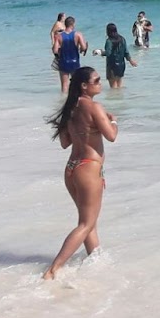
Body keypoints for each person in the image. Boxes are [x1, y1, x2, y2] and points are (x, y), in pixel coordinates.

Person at [43, 66, 117, 279]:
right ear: (84, 86)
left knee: (88, 222)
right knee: (86, 224)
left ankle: (97, 263)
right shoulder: (94, 107)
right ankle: (53, 270)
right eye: (97, 80)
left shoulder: (71, 108)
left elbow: (65, 143)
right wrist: (113, 120)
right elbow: (111, 136)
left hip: (72, 169)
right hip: (89, 169)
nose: (100, 82)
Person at [53, 16, 86, 94]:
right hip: (75, 62)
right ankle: (76, 100)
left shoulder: (59, 36)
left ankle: (64, 101)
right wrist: (82, 48)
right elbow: (84, 47)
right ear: (73, 24)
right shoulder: (78, 34)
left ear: (65, 25)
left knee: (64, 85)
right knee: (76, 83)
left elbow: (55, 50)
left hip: (63, 62)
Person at [101, 23, 136, 90]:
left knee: (113, 88)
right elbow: (126, 52)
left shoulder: (109, 41)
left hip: (112, 65)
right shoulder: (122, 39)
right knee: (119, 86)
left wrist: (100, 52)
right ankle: (120, 99)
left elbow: (108, 53)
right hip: (121, 65)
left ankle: (114, 99)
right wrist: (131, 60)